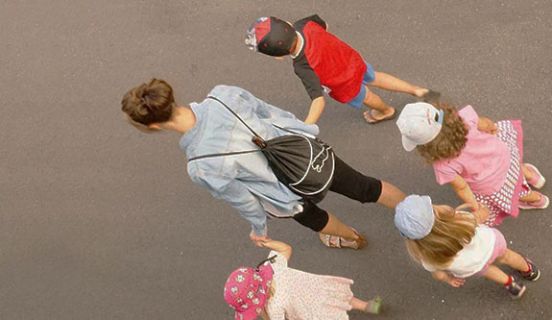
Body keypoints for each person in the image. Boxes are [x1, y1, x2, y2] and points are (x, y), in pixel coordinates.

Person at [120, 79, 406, 249]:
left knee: (316, 219)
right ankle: (417, 211)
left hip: (283, 194)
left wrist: (259, 229)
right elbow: (270, 112)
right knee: (366, 186)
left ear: (155, 126)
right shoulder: (222, 95)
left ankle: (352, 239)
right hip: (305, 157)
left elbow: (244, 200)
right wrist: (302, 130)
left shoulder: (199, 165)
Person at [245, 15, 437, 124]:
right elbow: (325, 25)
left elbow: (318, 100)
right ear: (287, 23)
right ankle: (415, 89)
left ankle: (386, 111)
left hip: (343, 83)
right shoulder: (305, 24)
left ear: (278, 57)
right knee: (374, 76)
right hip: (350, 59)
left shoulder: (302, 66)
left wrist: (305, 126)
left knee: (367, 97)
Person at [397, 102, 548, 226]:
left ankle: (538, 200)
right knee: (516, 167)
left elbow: (461, 187)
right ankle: (532, 177)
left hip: (492, 183)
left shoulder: (443, 166)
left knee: (515, 191)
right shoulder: (463, 118)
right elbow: (487, 124)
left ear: (424, 146)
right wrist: (492, 129)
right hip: (503, 155)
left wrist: (476, 207)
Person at [394, 195, 541, 299]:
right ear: (435, 211)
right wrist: (481, 208)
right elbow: (482, 215)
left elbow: (439, 274)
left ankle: (511, 284)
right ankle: (528, 270)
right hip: (491, 243)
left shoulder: (427, 257)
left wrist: (448, 279)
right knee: (508, 256)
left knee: (489, 270)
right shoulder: (458, 218)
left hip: (473, 266)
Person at [223, 239, 382, 319]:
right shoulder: (273, 268)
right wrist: (266, 242)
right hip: (321, 290)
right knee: (347, 299)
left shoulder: (274, 308)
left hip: (312, 313)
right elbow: (286, 248)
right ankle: (368, 306)